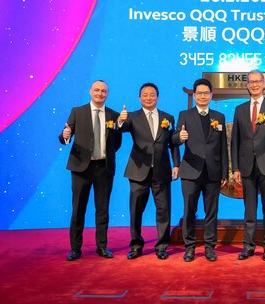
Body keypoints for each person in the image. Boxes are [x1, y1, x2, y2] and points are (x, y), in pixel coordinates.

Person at [59, 80, 122, 261]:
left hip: (104, 168)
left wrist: (105, 154)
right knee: (78, 209)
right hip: (81, 168)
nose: (100, 93)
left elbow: (116, 142)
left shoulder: (113, 115)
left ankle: (102, 246)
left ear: (107, 94)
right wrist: (65, 136)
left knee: (102, 209)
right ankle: (75, 249)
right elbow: (65, 135)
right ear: (90, 91)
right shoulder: (77, 112)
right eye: (96, 90)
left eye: (103, 91)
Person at [118, 83, 181, 261]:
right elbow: (121, 128)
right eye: (145, 95)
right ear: (139, 98)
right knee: (136, 210)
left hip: (162, 171)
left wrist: (176, 164)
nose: (148, 98)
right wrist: (120, 120)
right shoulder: (131, 117)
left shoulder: (168, 117)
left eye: (152, 95)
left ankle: (162, 246)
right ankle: (136, 246)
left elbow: (173, 143)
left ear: (157, 97)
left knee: (163, 210)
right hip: (138, 171)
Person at [172, 78, 228, 262]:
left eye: (206, 93)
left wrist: (224, 173)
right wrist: (179, 137)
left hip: (213, 172)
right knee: (189, 211)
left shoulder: (219, 117)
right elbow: (174, 139)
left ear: (211, 95)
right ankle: (189, 247)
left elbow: (223, 147)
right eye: (199, 93)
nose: (203, 96)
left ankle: (210, 247)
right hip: (191, 171)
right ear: (194, 95)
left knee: (211, 212)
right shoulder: (185, 115)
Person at [231, 70, 265, 261]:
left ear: (263, 84)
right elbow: (235, 141)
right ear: (247, 85)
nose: (254, 85)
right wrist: (236, 168)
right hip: (246, 166)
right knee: (249, 210)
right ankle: (248, 246)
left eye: (258, 81)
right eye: (251, 82)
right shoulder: (240, 109)